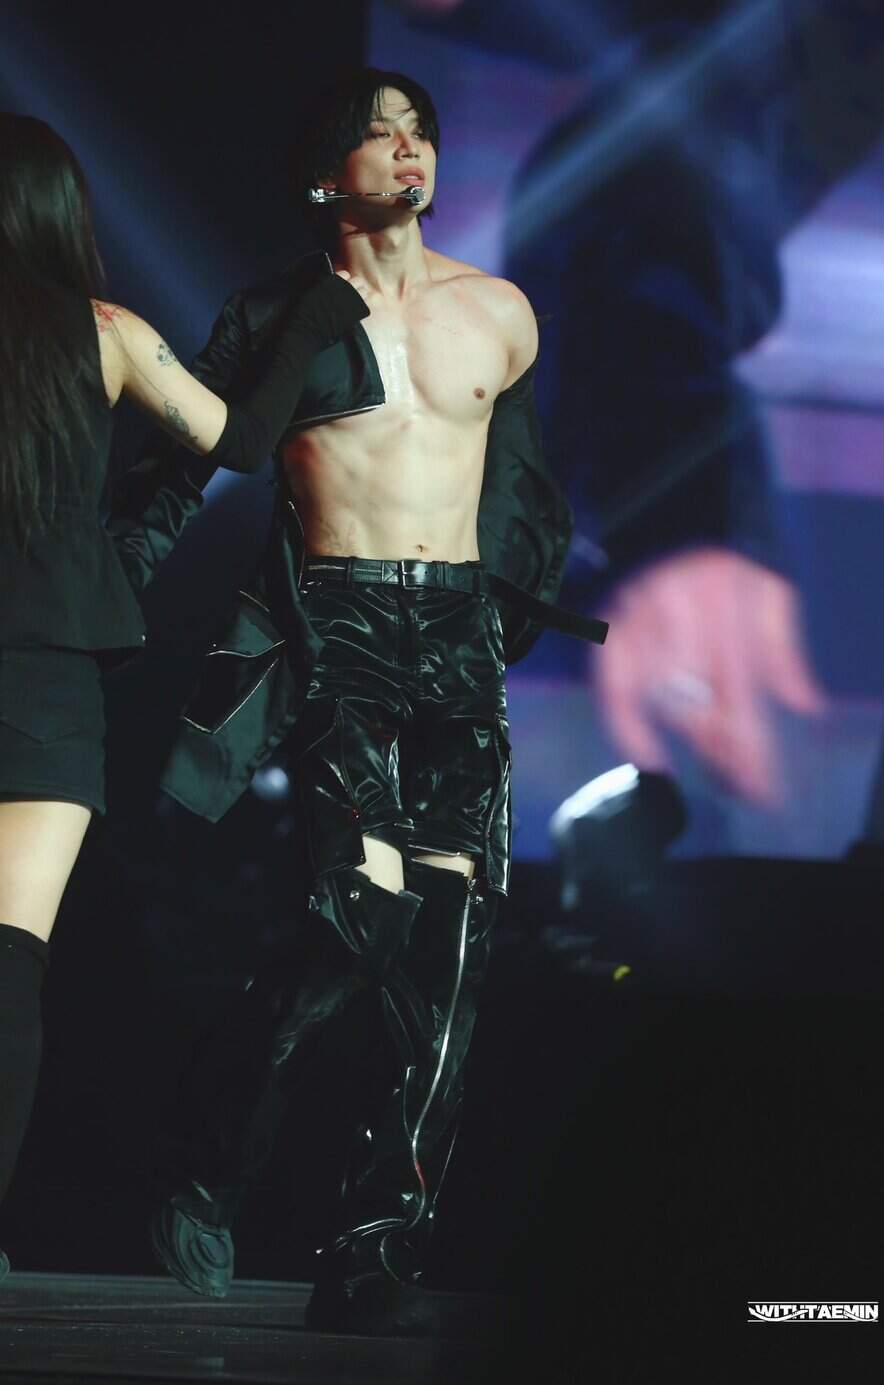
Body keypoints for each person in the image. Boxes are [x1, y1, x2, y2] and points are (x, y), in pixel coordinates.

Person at [110, 68, 603, 1332]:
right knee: (355, 913)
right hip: (338, 623)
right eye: (379, 134)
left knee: (450, 951)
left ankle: (378, 1244)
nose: (407, 149)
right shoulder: (275, 314)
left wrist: (499, 621)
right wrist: (98, 605)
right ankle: (209, 1157)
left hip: (455, 632)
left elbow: (525, 492)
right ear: (327, 170)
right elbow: (180, 471)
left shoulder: (498, 311)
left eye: (419, 130)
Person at [0, 112, 373, 1282]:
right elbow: (243, 444)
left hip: (44, 664)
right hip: (46, 675)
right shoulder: (105, 334)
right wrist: (312, 317)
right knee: (8, 963)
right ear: (60, 212)